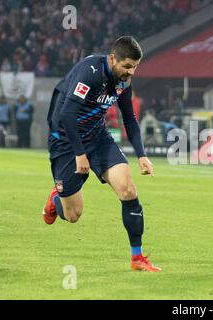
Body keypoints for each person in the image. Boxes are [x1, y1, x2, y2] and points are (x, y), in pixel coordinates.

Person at [42, 36, 161, 272]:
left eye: (135, 67)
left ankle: (137, 258)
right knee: (74, 214)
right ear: (112, 59)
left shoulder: (123, 81)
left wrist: (142, 155)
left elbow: (129, 118)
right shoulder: (90, 71)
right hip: (66, 141)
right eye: (127, 66)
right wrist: (79, 154)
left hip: (97, 136)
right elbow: (67, 113)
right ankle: (56, 200)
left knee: (128, 190)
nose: (131, 72)